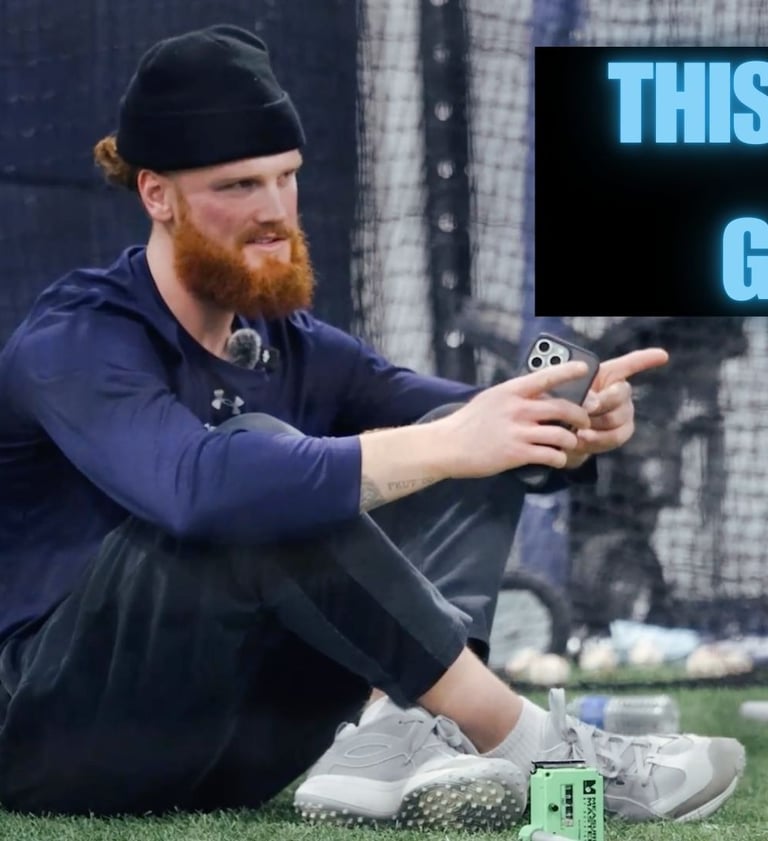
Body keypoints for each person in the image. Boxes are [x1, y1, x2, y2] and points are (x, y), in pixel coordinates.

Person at [0, 23, 745, 830]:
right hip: (59, 736)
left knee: (463, 434)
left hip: (235, 748)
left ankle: (397, 734)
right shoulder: (75, 338)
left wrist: (570, 421)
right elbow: (197, 489)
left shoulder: (289, 344)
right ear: (157, 195)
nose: (275, 213)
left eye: (286, 178)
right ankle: (535, 744)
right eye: (239, 185)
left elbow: (466, 418)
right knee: (262, 471)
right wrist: (450, 442)